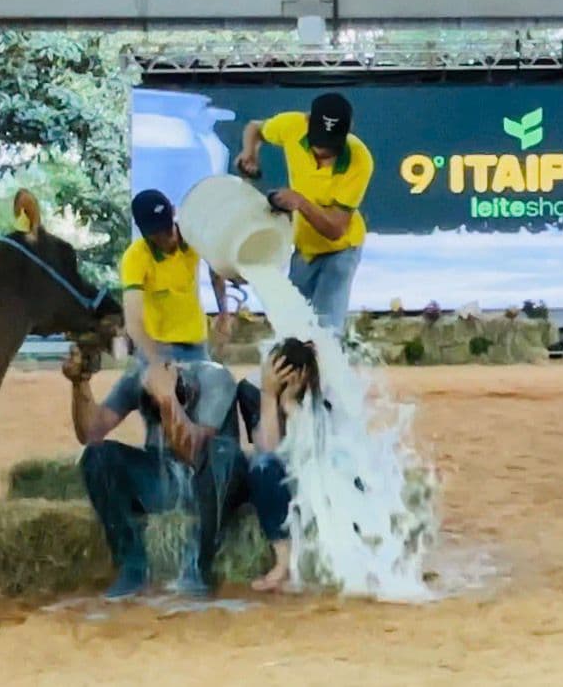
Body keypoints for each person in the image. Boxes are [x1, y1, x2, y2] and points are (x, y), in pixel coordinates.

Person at [62, 345, 248, 600]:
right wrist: (80, 384)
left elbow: (194, 453)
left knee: (220, 452)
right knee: (97, 456)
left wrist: (168, 399)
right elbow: (90, 433)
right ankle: (133, 566)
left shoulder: (215, 377)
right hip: (163, 477)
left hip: (207, 484)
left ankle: (201, 568)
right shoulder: (140, 376)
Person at [235, 93, 374, 334]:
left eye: (331, 147)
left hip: (341, 249)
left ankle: (328, 369)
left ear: (348, 130)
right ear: (308, 121)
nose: (323, 153)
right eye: (318, 142)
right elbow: (255, 128)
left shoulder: (360, 159)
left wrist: (300, 202)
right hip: (303, 248)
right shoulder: (292, 125)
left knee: (326, 331)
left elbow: (336, 229)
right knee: (292, 328)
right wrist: (250, 153)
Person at [235, 338, 323, 592]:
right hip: (277, 479)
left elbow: (315, 450)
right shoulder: (250, 389)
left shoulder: (321, 392)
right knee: (262, 466)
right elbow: (268, 451)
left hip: (312, 476)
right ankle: (283, 561)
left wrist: (291, 405)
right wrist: (268, 396)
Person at [122, 189, 235, 365]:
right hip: (156, 347)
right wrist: (153, 361)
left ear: (174, 212)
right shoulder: (135, 257)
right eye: (156, 234)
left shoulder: (194, 237)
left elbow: (216, 270)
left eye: (167, 229)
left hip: (195, 345)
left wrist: (224, 313)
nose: (166, 238)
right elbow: (133, 315)